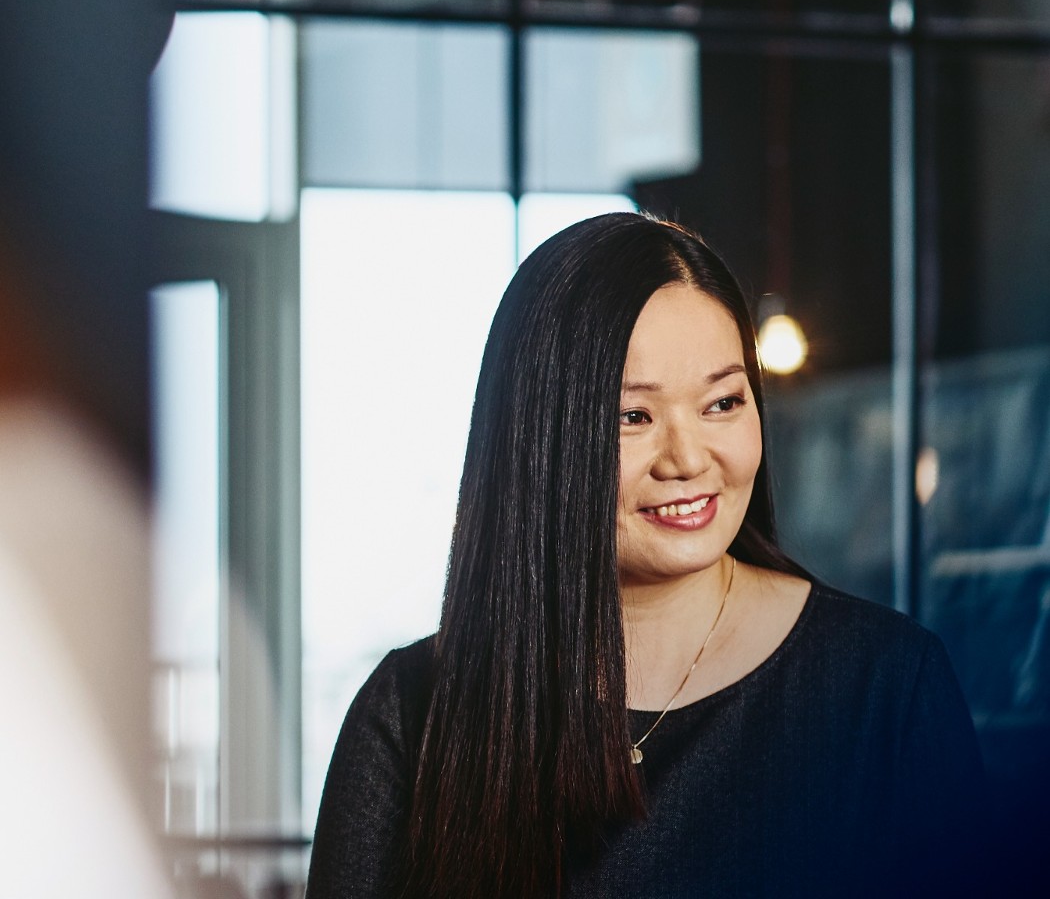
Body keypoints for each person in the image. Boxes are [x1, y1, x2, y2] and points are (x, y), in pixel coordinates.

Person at [306, 213, 987, 898]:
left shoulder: (883, 685)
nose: (690, 459)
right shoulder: (412, 713)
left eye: (722, 403)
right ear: (537, 437)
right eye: (633, 417)